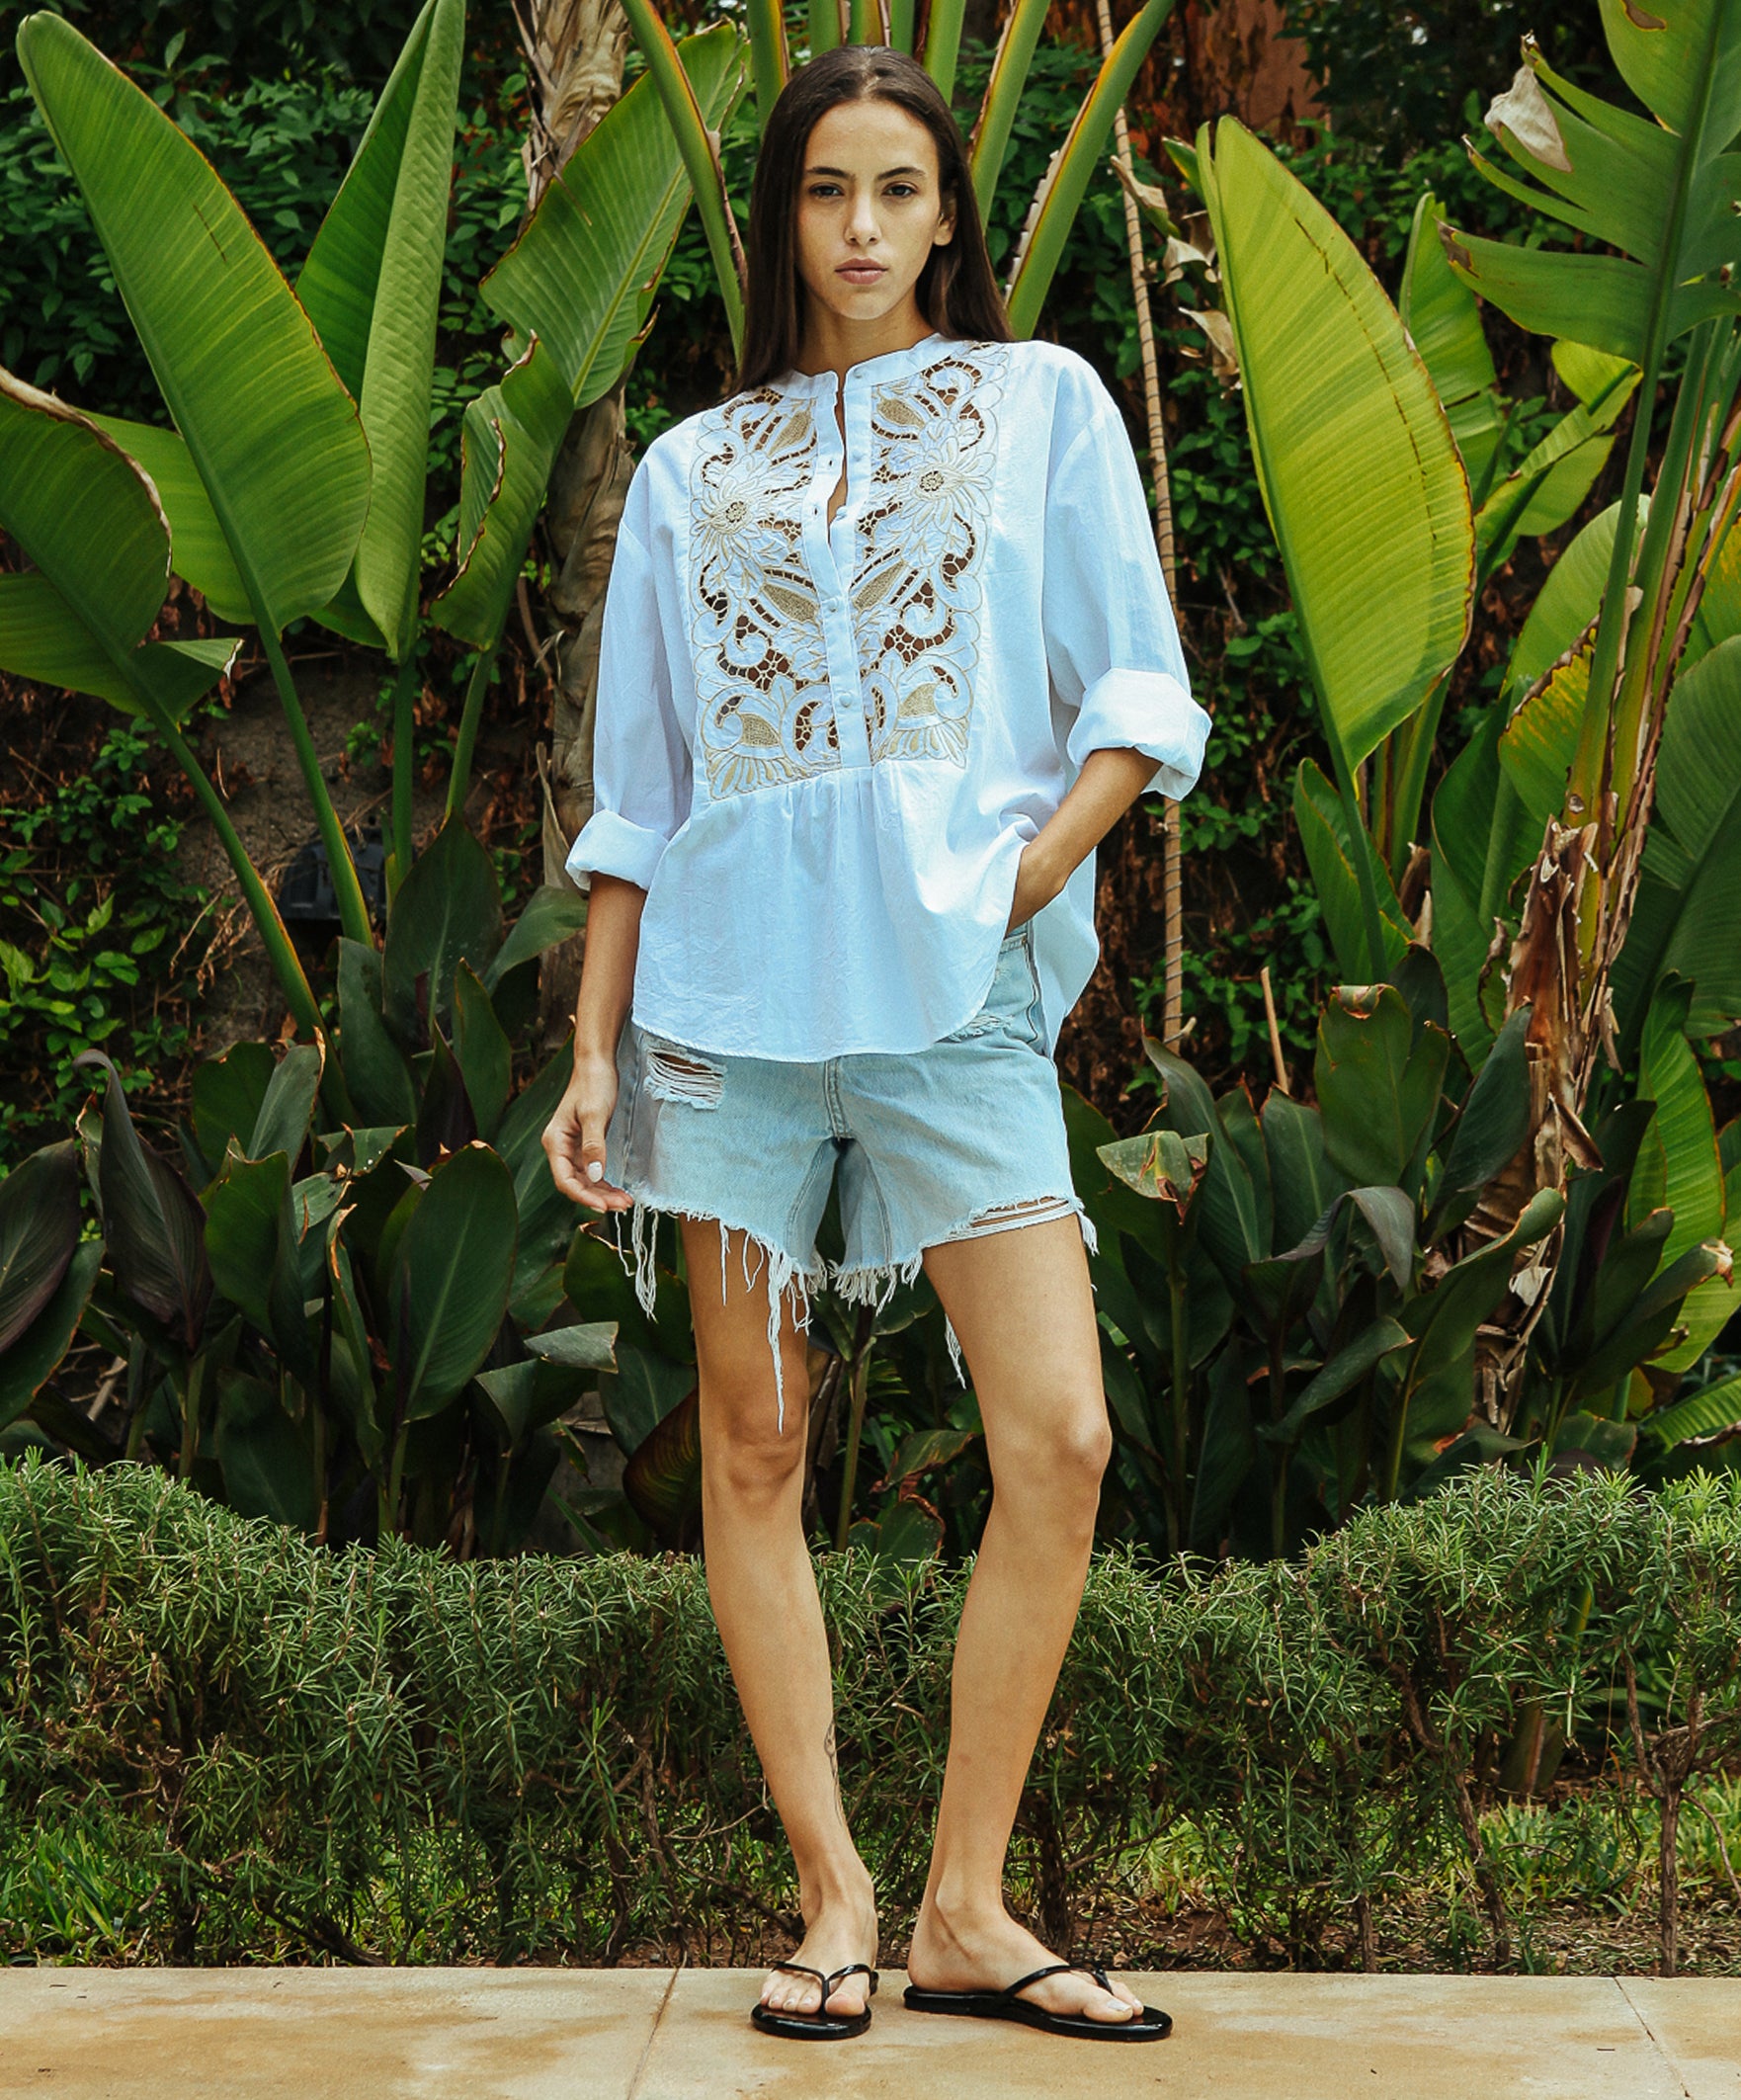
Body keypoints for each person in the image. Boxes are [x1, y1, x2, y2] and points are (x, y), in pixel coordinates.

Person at [541, 40, 1208, 2046]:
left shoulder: (1037, 408)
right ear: (781, 216)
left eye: (896, 192)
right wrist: (592, 1054)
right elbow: (638, 795)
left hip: (947, 1005)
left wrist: (1017, 885)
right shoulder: (688, 468)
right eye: (824, 192)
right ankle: (833, 1889)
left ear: (944, 214)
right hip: (722, 1019)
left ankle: (966, 1898)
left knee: (1059, 1435)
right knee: (751, 1442)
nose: (858, 232)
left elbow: (1137, 692)